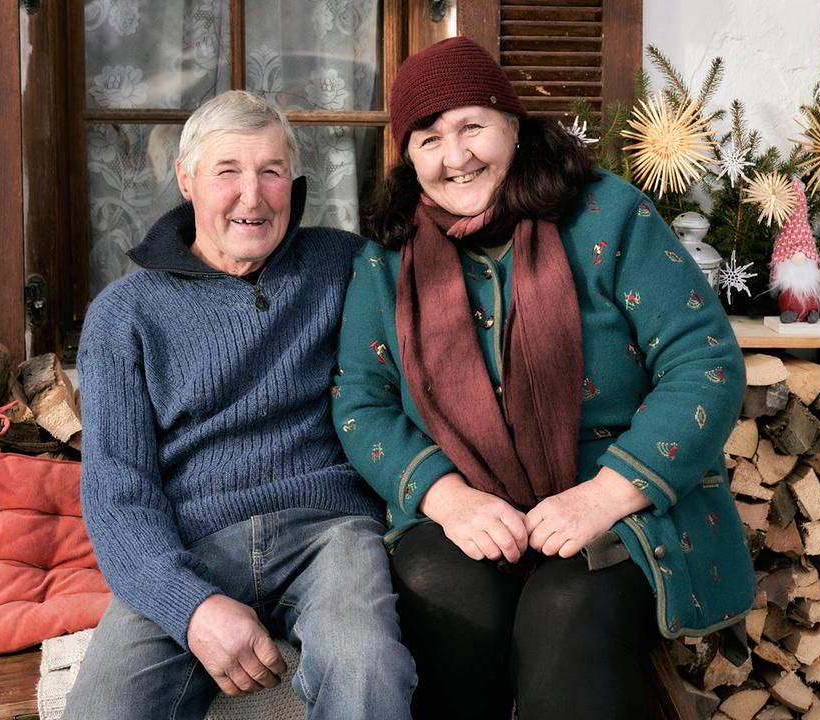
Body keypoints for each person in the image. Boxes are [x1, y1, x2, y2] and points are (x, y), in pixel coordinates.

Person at [333, 36, 755, 720]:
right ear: (408, 158)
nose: (456, 155)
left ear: (514, 125)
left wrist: (606, 494)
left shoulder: (608, 214)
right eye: (429, 138)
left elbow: (703, 361)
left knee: (563, 617)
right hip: (468, 505)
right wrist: (446, 499)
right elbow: (360, 401)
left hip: (619, 499)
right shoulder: (388, 259)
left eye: (473, 126)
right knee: (440, 598)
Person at [65, 90, 415, 720]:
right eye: (228, 171)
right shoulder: (125, 314)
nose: (252, 196)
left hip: (330, 532)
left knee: (365, 664)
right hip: (193, 541)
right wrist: (191, 606)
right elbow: (117, 494)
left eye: (271, 172)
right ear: (187, 179)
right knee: (101, 710)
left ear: (293, 182)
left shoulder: (345, 267)